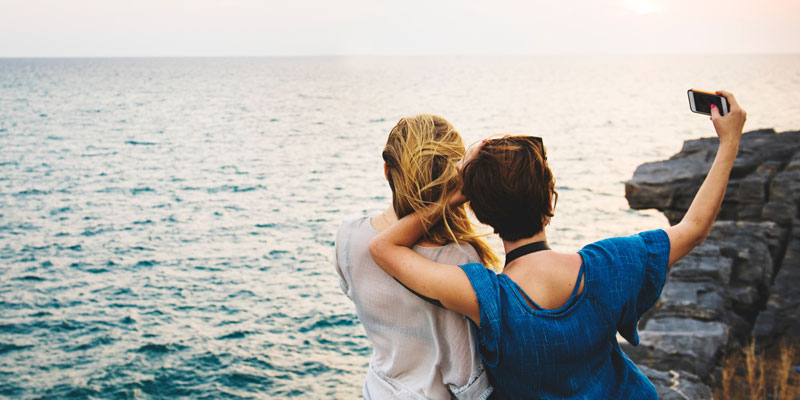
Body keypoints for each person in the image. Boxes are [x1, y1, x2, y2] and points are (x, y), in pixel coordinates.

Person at [369, 92, 747, 398]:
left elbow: (384, 248)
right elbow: (694, 228)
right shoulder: (609, 266)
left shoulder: (488, 298)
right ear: (550, 201)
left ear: (483, 214)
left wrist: (455, 196)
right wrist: (730, 140)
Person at [334, 114, 498, 399]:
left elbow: (352, 290)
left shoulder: (349, 235)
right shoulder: (459, 258)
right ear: (456, 178)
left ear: (387, 171)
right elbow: (465, 375)